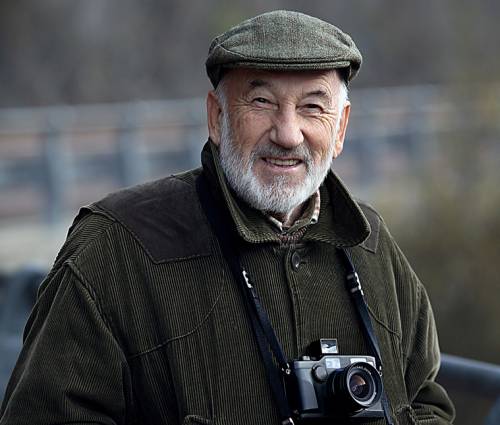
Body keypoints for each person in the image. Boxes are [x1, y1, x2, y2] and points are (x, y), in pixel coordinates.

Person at [0, 10, 455, 425]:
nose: (287, 132)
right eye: (261, 103)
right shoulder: (117, 247)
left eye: (313, 107)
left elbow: (427, 401)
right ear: (217, 117)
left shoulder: (371, 244)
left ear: (340, 129)